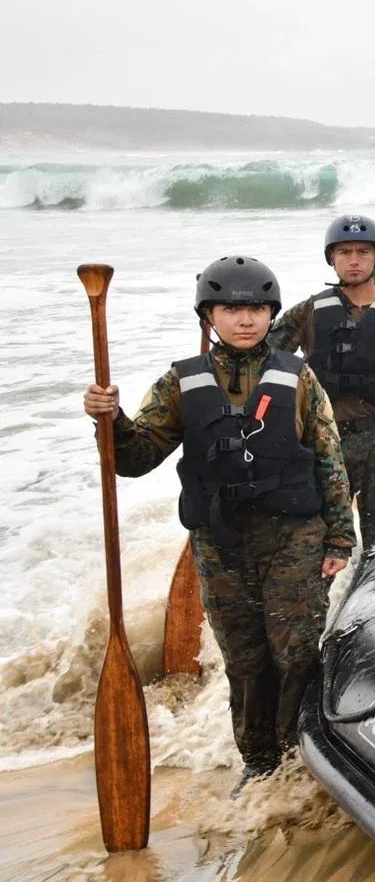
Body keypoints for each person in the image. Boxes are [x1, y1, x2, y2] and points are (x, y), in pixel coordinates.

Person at [81, 257, 355, 791]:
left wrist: (340, 538)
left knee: (296, 651)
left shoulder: (298, 377)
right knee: (245, 660)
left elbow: (330, 459)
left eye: (256, 309)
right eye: (231, 308)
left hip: (293, 539)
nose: (245, 319)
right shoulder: (179, 382)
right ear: (209, 315)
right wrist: (109, 421)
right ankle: (259, 763)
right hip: (219, 542)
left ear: (271, 313)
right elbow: (134, 459)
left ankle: (299, 758)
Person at [270, 215, 375, 546]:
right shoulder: (308, 312)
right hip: (323, 440)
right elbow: (266, 362)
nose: (354, 260)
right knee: (316, 540)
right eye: (344, 252)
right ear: (331, 258)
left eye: (363, 252)